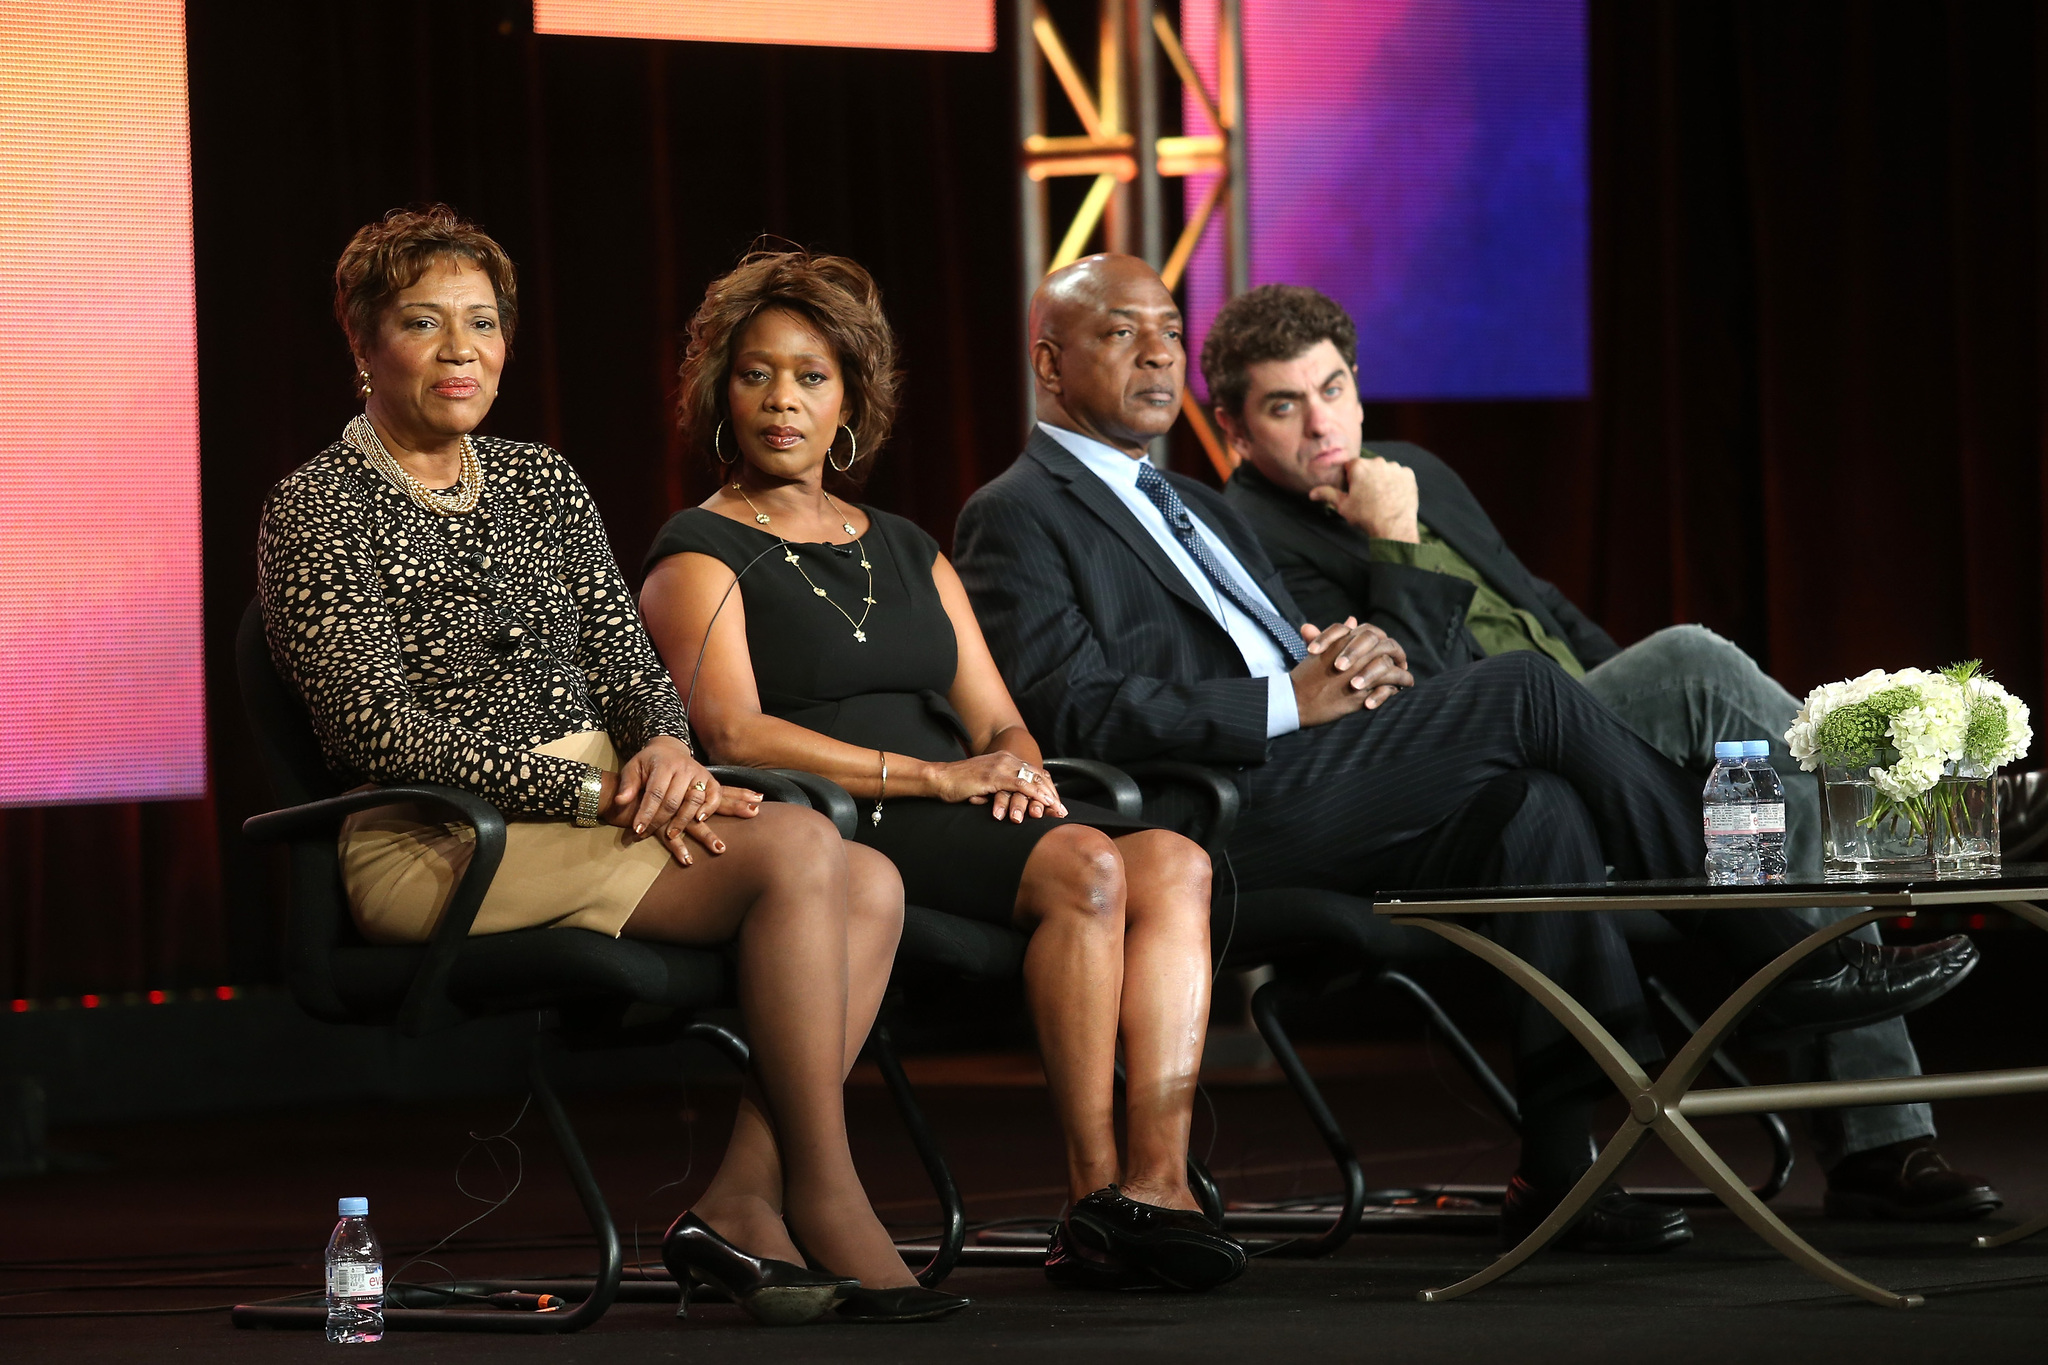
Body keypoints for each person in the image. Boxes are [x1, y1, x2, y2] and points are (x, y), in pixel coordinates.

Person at [952, 253, 1981, 1252]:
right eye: (1118, 334)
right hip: (1214, 816)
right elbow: (1071, 710)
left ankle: (1560, 1170)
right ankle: (1766, 953)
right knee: (1531, 693)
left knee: (1540, 806)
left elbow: (1308, 639)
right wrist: (1282, 695)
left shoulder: (1195, 506)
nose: (1155, 355)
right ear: (1049, 364)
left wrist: (1348, 653)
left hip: (1323, 765)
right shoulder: (1015, 512)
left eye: (1168, 331)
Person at [257, 206, 963, 1324]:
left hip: (601, 807)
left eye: (482, 323)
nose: (459, 351)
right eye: (423, 323)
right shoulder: (315, 507)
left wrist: (668, 751)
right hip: (440, 840)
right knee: (800, 855)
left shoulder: (542, 481)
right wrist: (598, 788)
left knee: (864, 878)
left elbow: (631, 671)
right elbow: (377, 738)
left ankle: (743, 1194)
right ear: (361, 344)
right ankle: (823, 1197)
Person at [638, 248, 1243, 1292]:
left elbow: (999, 718)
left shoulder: (909, 546)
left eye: (811, 377)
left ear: (850, 403)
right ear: (718, 395)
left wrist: (1013, 768)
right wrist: (934, 781)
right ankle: (1092, 1198)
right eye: (755, 375)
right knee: (1092, 870)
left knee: (1175, 862)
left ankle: (1157, 1184)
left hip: (953, 807)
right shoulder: (697, 548)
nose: (782, 400)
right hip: (834, 819)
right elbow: (733, 733)